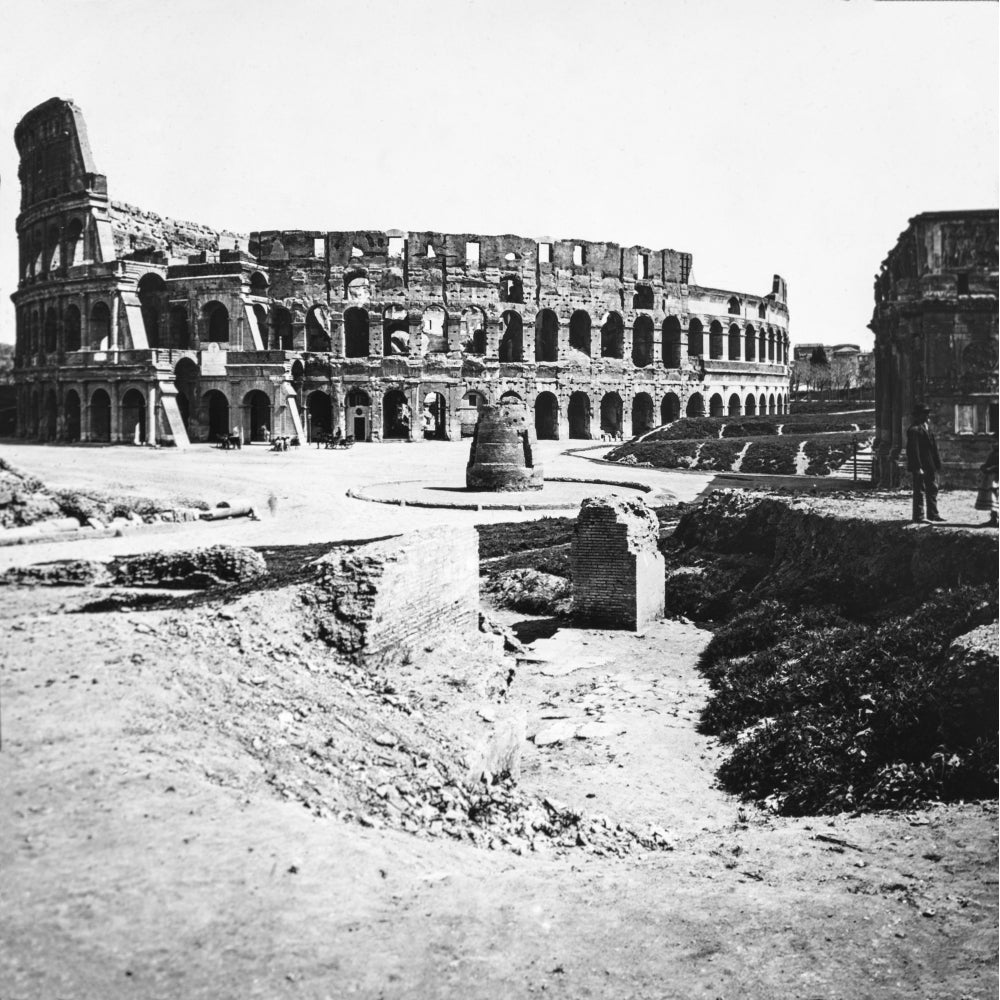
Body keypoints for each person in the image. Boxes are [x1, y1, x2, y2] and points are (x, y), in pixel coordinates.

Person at [905, 402, 944, 524]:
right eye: (924, 414)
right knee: (919, 490)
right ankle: (918, 516)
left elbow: (934, 448)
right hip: (921, 466)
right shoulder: (914, 430)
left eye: (928, 414)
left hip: (930, 465)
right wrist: (917, 467)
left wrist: (937, 464)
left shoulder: (928, 429)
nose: (927, 416)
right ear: (918, 415)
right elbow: (913, 450)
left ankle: (933, 514)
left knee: (932, 489)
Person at [974, 438, 999, 527]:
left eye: (996, 443)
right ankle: (993, 519)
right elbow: (987, 463)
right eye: (994, 443)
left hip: (997, 479)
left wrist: (992, 468)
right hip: (991, 481)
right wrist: (984, 467)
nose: (994, 445)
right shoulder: (993, 454)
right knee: (993, 500)